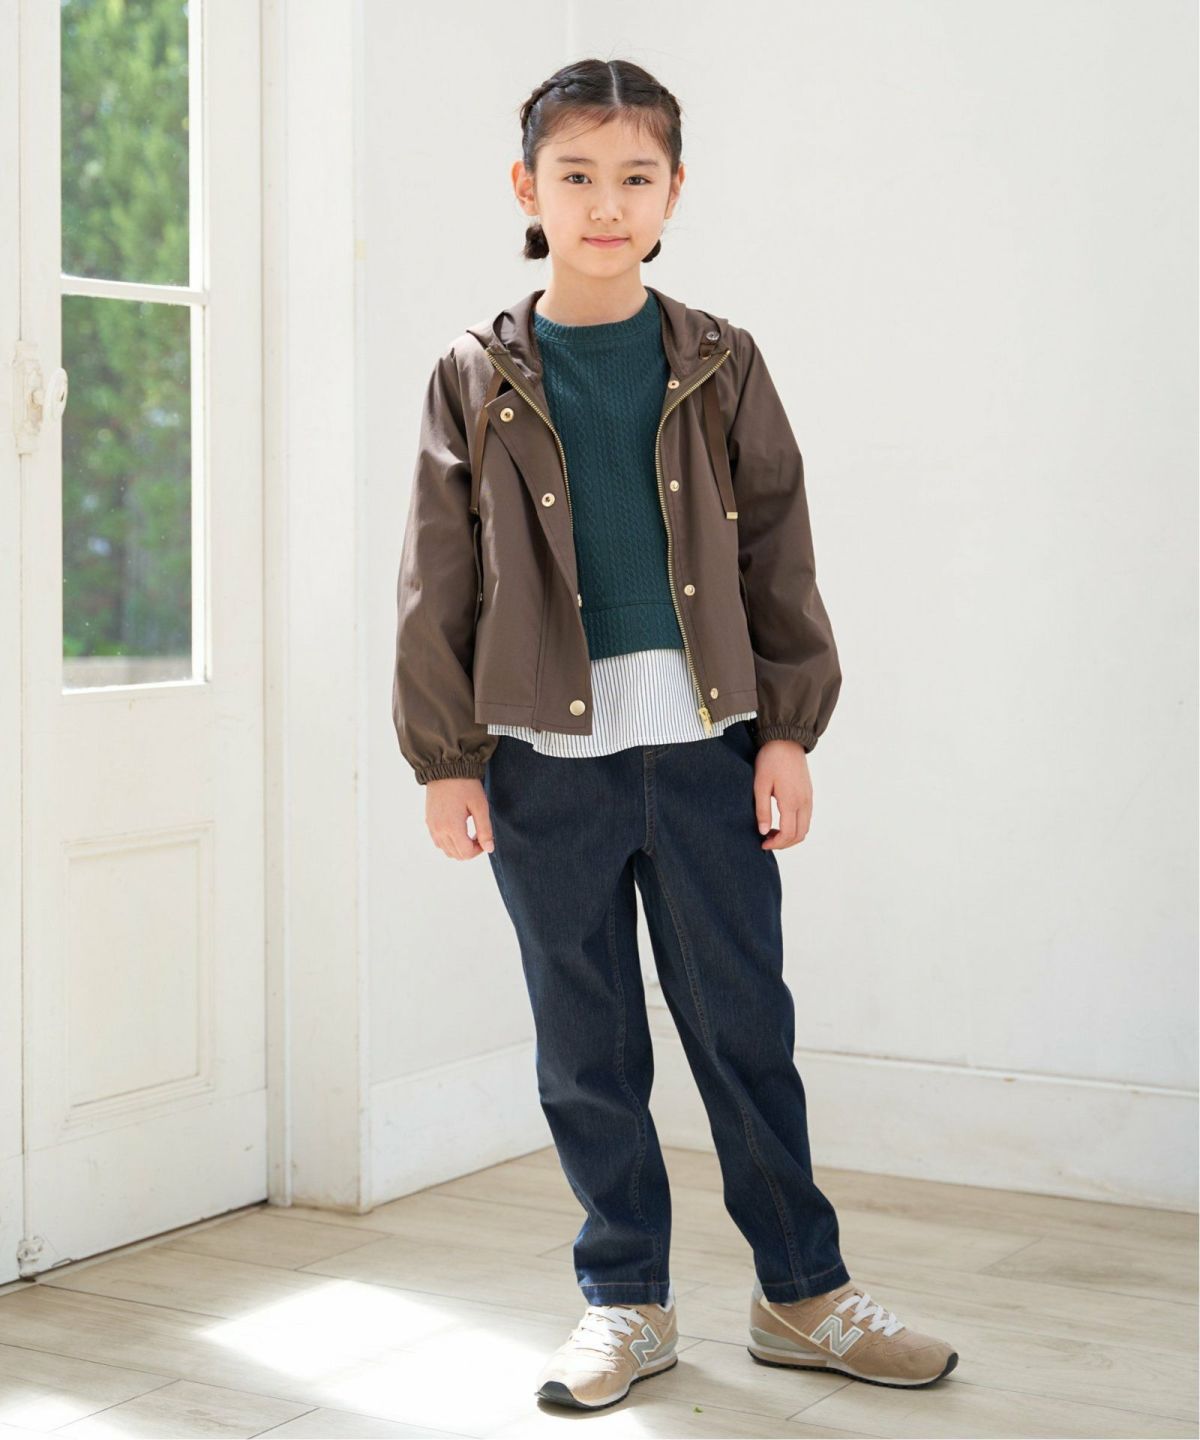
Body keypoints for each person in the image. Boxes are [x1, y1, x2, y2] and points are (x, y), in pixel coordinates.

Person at [392, 57, 958, 1411]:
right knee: (585, 1048)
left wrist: (789, 731)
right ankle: (624, 1303)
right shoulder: (473, 374)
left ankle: (802, 1292)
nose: (606, 203)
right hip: (539, 765)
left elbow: (778, 550)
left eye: (635, 177)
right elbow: (436, 579)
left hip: (708, 747)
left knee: (743, 1025)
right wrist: (446, 759)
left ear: (674, 194)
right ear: (526, 189)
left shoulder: (720, 360)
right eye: (577, 175)